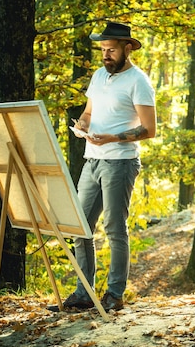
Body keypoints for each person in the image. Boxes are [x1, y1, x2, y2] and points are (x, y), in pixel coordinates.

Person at [60, 21, 157, 312]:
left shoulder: (139, 81)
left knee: (115, 228)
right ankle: (83, 293)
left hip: (121, 163)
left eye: (111, 50)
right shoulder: (99, 75)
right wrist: (82, 125)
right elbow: (88, 112)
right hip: (92, 160)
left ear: (128, 48)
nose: (105, 55)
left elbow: (149, 129)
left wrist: (113, 137)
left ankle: (114, 295)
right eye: (103, 50)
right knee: (80, 227)